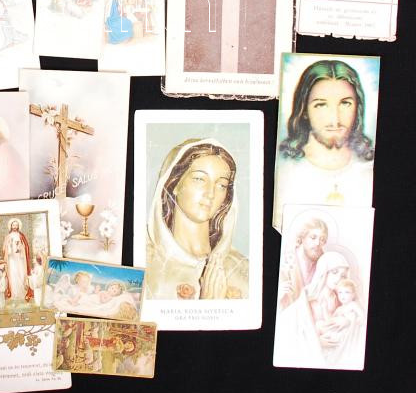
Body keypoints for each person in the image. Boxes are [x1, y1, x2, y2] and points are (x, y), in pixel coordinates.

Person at [273, 59, 375, 231]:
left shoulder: (370, 170)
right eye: (320, 105)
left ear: (358, 107)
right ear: (304, 110)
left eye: (345, 103)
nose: (335, 119)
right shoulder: (282, 172)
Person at [145, 138, 249, 300]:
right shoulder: (146, 263)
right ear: (175, 184)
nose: (210, 193)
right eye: (199, 179)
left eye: (221, 185)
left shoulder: (241, 269)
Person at [275, 250, 356, 368]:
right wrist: (317, 342)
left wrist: (348, 322)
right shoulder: (306, 300)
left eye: (343, 275)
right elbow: (287, 329)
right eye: (334, 272)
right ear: (324, 272)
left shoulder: (341, 300)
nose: (339, 278)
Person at [278, 217, 329, 309]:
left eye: (322, 239)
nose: (317, 243)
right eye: (313, 237)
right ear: (302, 237)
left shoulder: (324, 262)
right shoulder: (286, 260)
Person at [2, 219, 34, 302]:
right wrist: (10, 246)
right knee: (13, 274)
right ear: (11, 226)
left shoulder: (21, 236)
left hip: (20, 259)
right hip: (11, 259)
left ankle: (22, 293)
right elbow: (5, 249)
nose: (15, 227)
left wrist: (20, 248)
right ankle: (14, 294)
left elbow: (25, 247)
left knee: (21, 273)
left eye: (16, 225)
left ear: (19, 226)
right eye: (13, 225)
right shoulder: (8, 236)